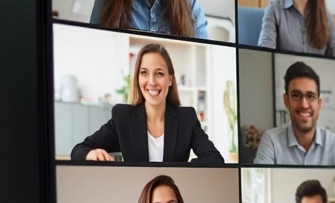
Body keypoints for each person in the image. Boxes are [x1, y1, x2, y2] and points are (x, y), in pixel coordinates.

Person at [72, 43, 223, 164]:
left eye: (159, 74)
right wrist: (91, 154)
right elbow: (78, 151)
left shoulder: (187, 118)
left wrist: (183, 170)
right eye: (144, 73)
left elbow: (215, 159)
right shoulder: (123, 118)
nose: (151, 82)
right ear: (137, 78)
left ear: (170, 79)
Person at [254, 61, 335, 166]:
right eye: (296, 95)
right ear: (286, 101)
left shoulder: (334, 144)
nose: (304, 105)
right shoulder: (271, 141)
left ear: (319, 103)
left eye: (310, 96)